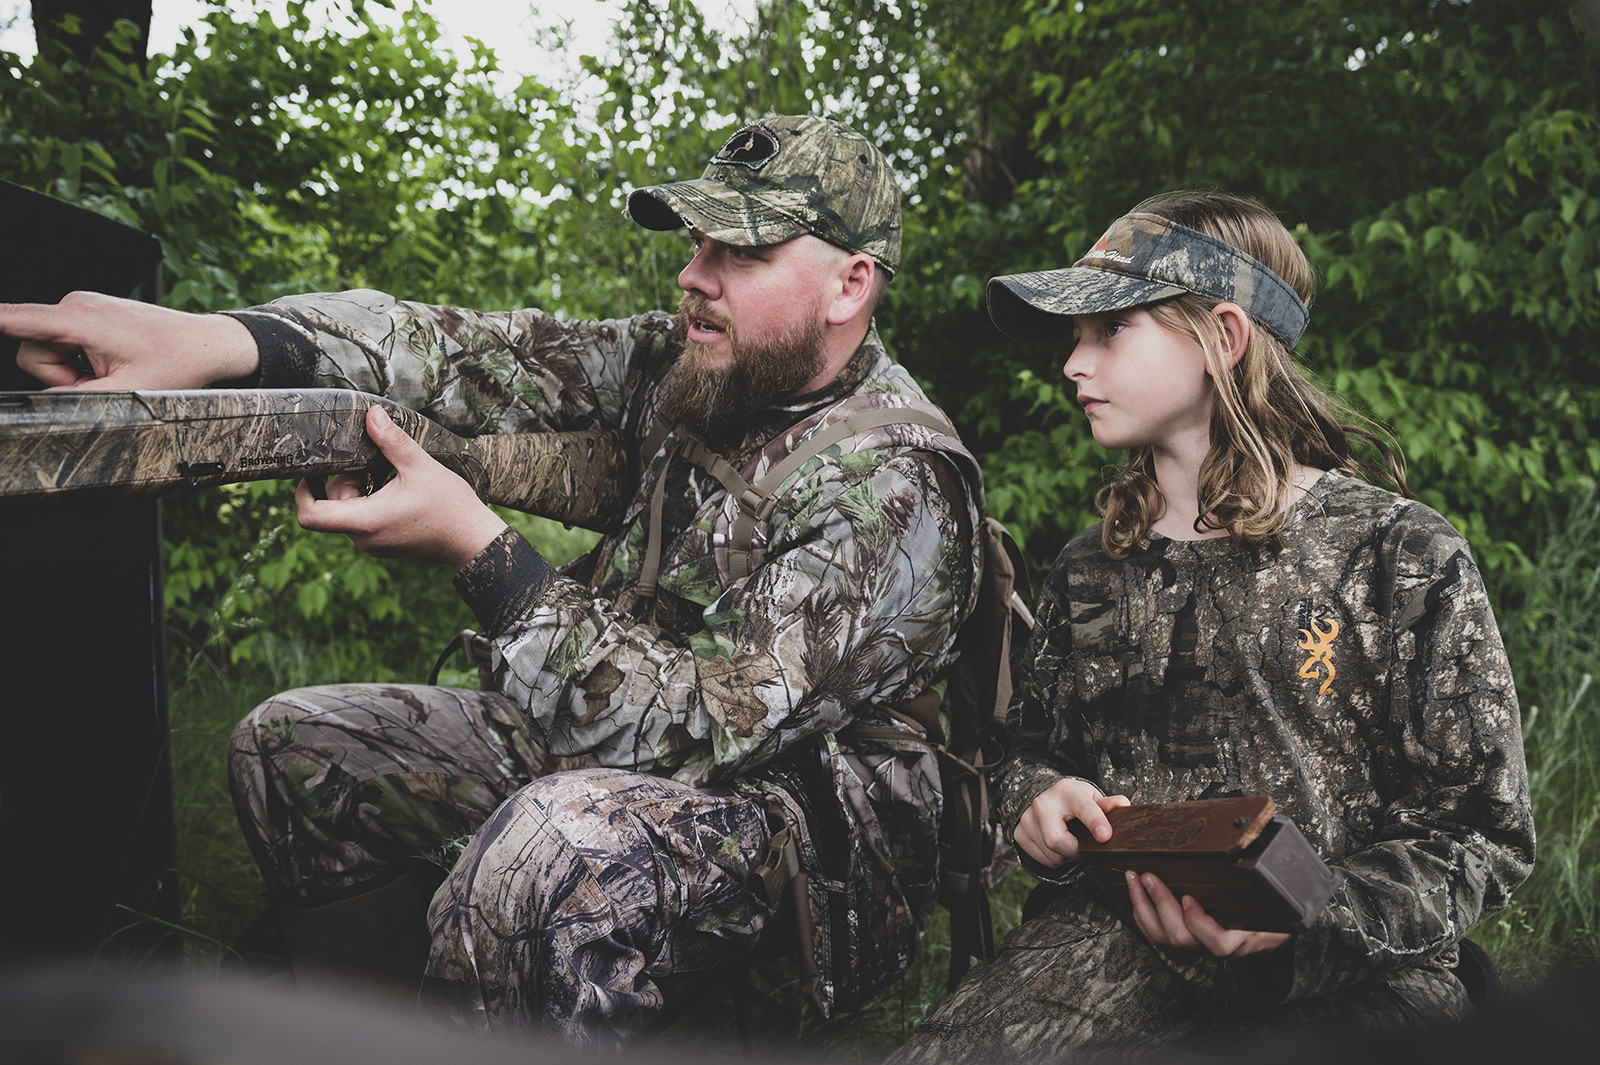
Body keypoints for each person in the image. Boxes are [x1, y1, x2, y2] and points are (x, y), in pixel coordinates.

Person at [0, 115, 985, 1046]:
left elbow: (701, 739)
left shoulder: (895, 484)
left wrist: (482, 553)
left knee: (549, 855)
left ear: (849, 286)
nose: (693, 276)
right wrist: (227, 340)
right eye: (694, 243)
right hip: (622, 731)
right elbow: (469, 354)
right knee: (297, 748)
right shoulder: (693, 365)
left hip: (800, 846)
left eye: (739, 252)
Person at [887, 191, 1535, 1062]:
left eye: (1109, 329)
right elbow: (1027, 749)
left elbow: (1482, 830)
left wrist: (1310, 922)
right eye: (1073, 338)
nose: (1073, 364)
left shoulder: (1399, 553)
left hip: (1353, 967)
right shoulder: (1090, 565)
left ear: (1223, 339)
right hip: (1111, 943)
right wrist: (1034, 799)